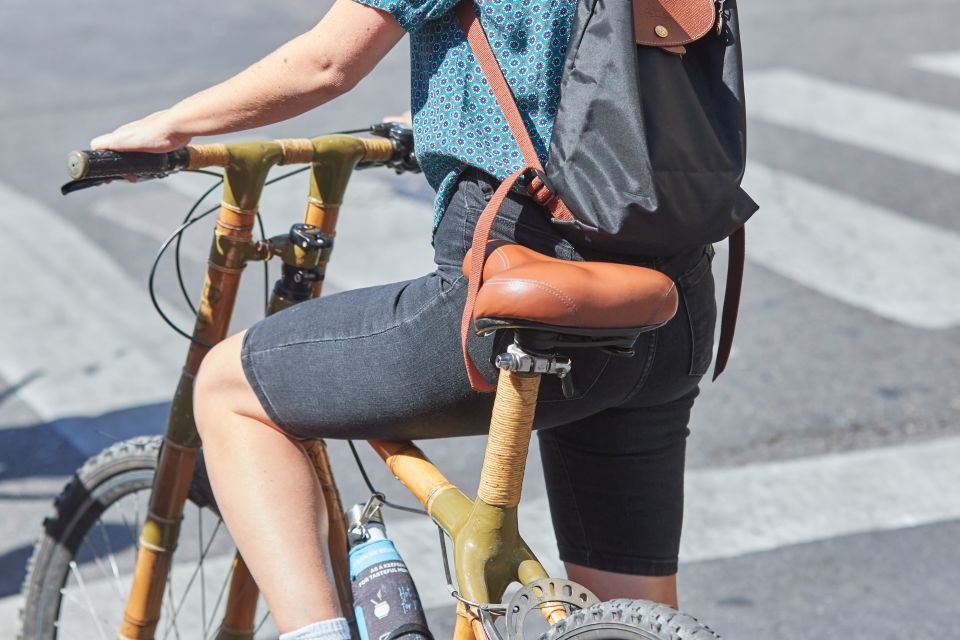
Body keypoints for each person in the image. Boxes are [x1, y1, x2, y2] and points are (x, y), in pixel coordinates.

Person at [92, 1, 717, 638]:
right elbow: (592, 62)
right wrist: (448, 112)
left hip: (512, 291)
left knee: (228, 386)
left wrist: (170, 126)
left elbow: (326, 63)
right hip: (670, 300)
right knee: (626, 618)